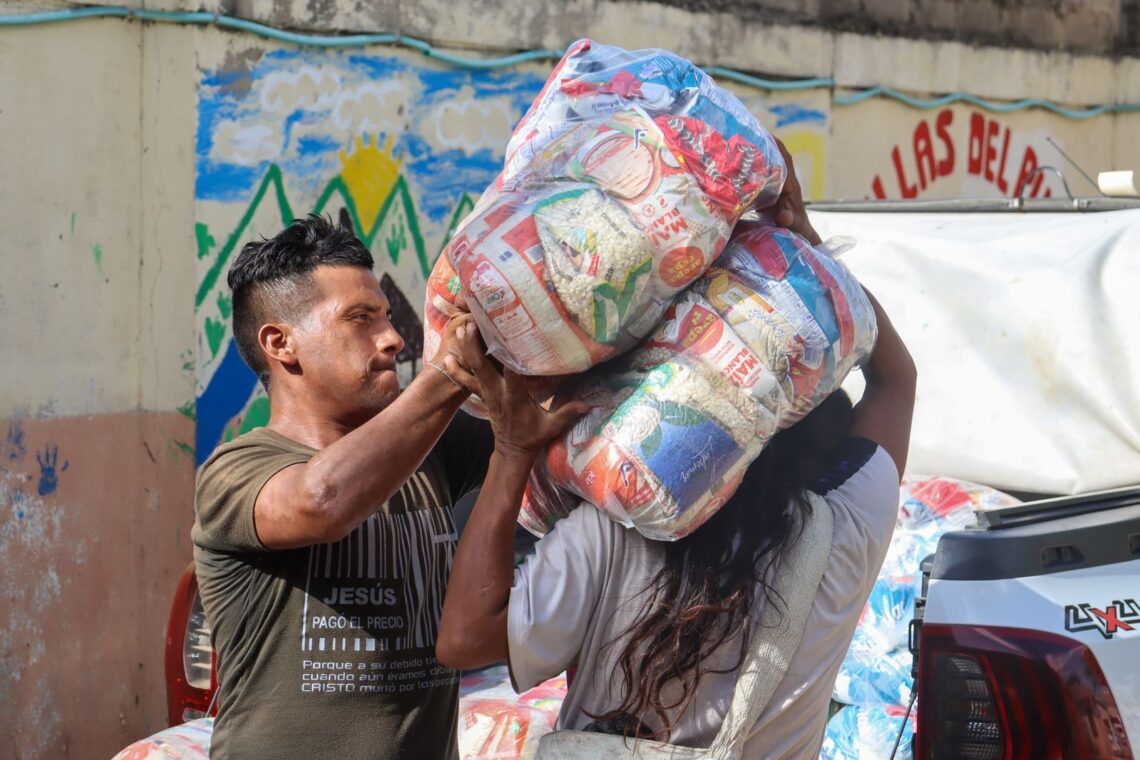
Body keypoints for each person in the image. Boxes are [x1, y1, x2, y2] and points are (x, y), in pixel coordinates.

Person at [435, 147, 918, 757]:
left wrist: (511, 451)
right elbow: (895, 378)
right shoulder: (847, 528)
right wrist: (806, 254)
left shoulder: (612, 535)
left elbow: (464, 638)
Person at [192, 215, 499, 759]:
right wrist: (449, 372)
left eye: (386, 316)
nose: (394, 339)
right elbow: (322, 501)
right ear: (281, 343)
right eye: (360, 319)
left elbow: (539, 426)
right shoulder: (236, 471)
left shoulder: (430, 446)